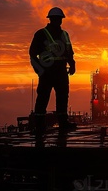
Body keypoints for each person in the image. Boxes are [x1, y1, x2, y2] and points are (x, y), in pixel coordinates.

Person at [29, 7, 76, 135]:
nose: (57, 21)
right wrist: (39, 69)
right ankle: (39, 125)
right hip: (47, 72)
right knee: (43, 97)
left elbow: (69, 52)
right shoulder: (41, 34)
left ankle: (63, 122)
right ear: (50, 19)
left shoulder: (64, 35)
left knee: (62, 97)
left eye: (59, 19)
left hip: (61, 71)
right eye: (55, 18)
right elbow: (32, 53)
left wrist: (72, 64)